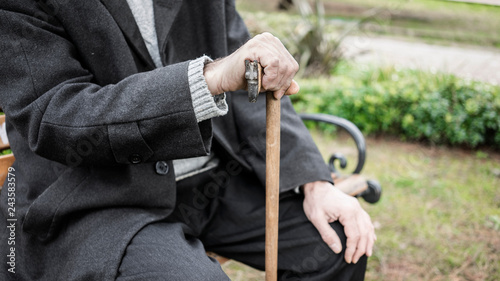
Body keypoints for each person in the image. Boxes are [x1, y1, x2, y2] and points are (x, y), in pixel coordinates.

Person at [0, 1, 375, 280]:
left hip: (209, 178)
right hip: (100, 196)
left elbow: (252, 81)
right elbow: (57, 118)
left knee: (339, 246)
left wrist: (314, 181)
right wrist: (209, 78)